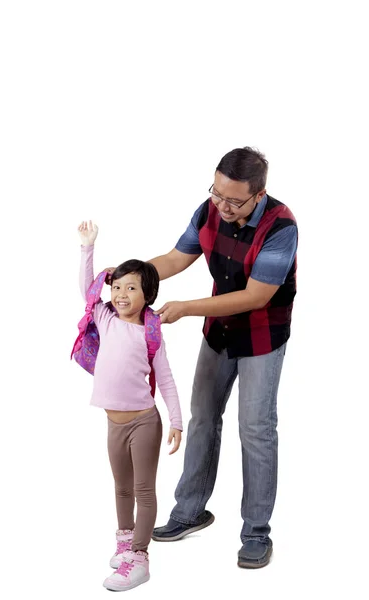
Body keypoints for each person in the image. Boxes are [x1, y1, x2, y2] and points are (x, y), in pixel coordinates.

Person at [147, 147, 298, 569]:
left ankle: (256, 533)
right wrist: (134, 272)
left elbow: (255, 296)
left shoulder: (281, 226)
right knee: (203, 417)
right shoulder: (210, 209)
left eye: (234, 200)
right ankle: (190, 511)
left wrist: (185, 308)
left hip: (262, 336)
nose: (223, 206)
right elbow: (177, 258)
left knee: (256, 429)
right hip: (220, 332)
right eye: (217, 194)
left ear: (258, 194)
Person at [76, 221, 183, 591]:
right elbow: (86, 293)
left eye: (131, 288)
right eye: (117, 286)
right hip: (114, 423)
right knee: (120, 488)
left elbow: (165, 379)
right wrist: (88, 250)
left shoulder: (150, 332)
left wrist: (176, 420)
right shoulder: (104, 318)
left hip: (143, 422)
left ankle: (140, 556)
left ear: (147, 294)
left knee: (143, 490)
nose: (121, 294)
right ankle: (124, 543)